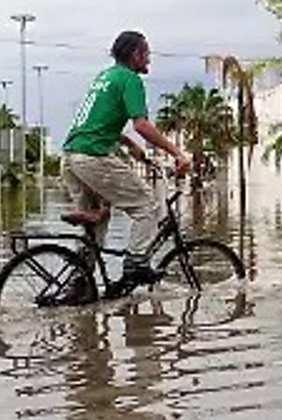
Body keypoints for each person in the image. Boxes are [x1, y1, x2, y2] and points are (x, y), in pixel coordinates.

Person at [61, 30, 192, 285]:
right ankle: (136, 264)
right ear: (135, 54)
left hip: (71, 157)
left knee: (98, 226)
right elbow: (142, 124)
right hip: (92, 157)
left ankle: (78, 285)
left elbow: (99, 122)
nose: (149, 61)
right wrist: (177, 153)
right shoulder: (130, 79)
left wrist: (131, 145)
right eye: (147, 54)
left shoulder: (105, 77)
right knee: (148, 206)